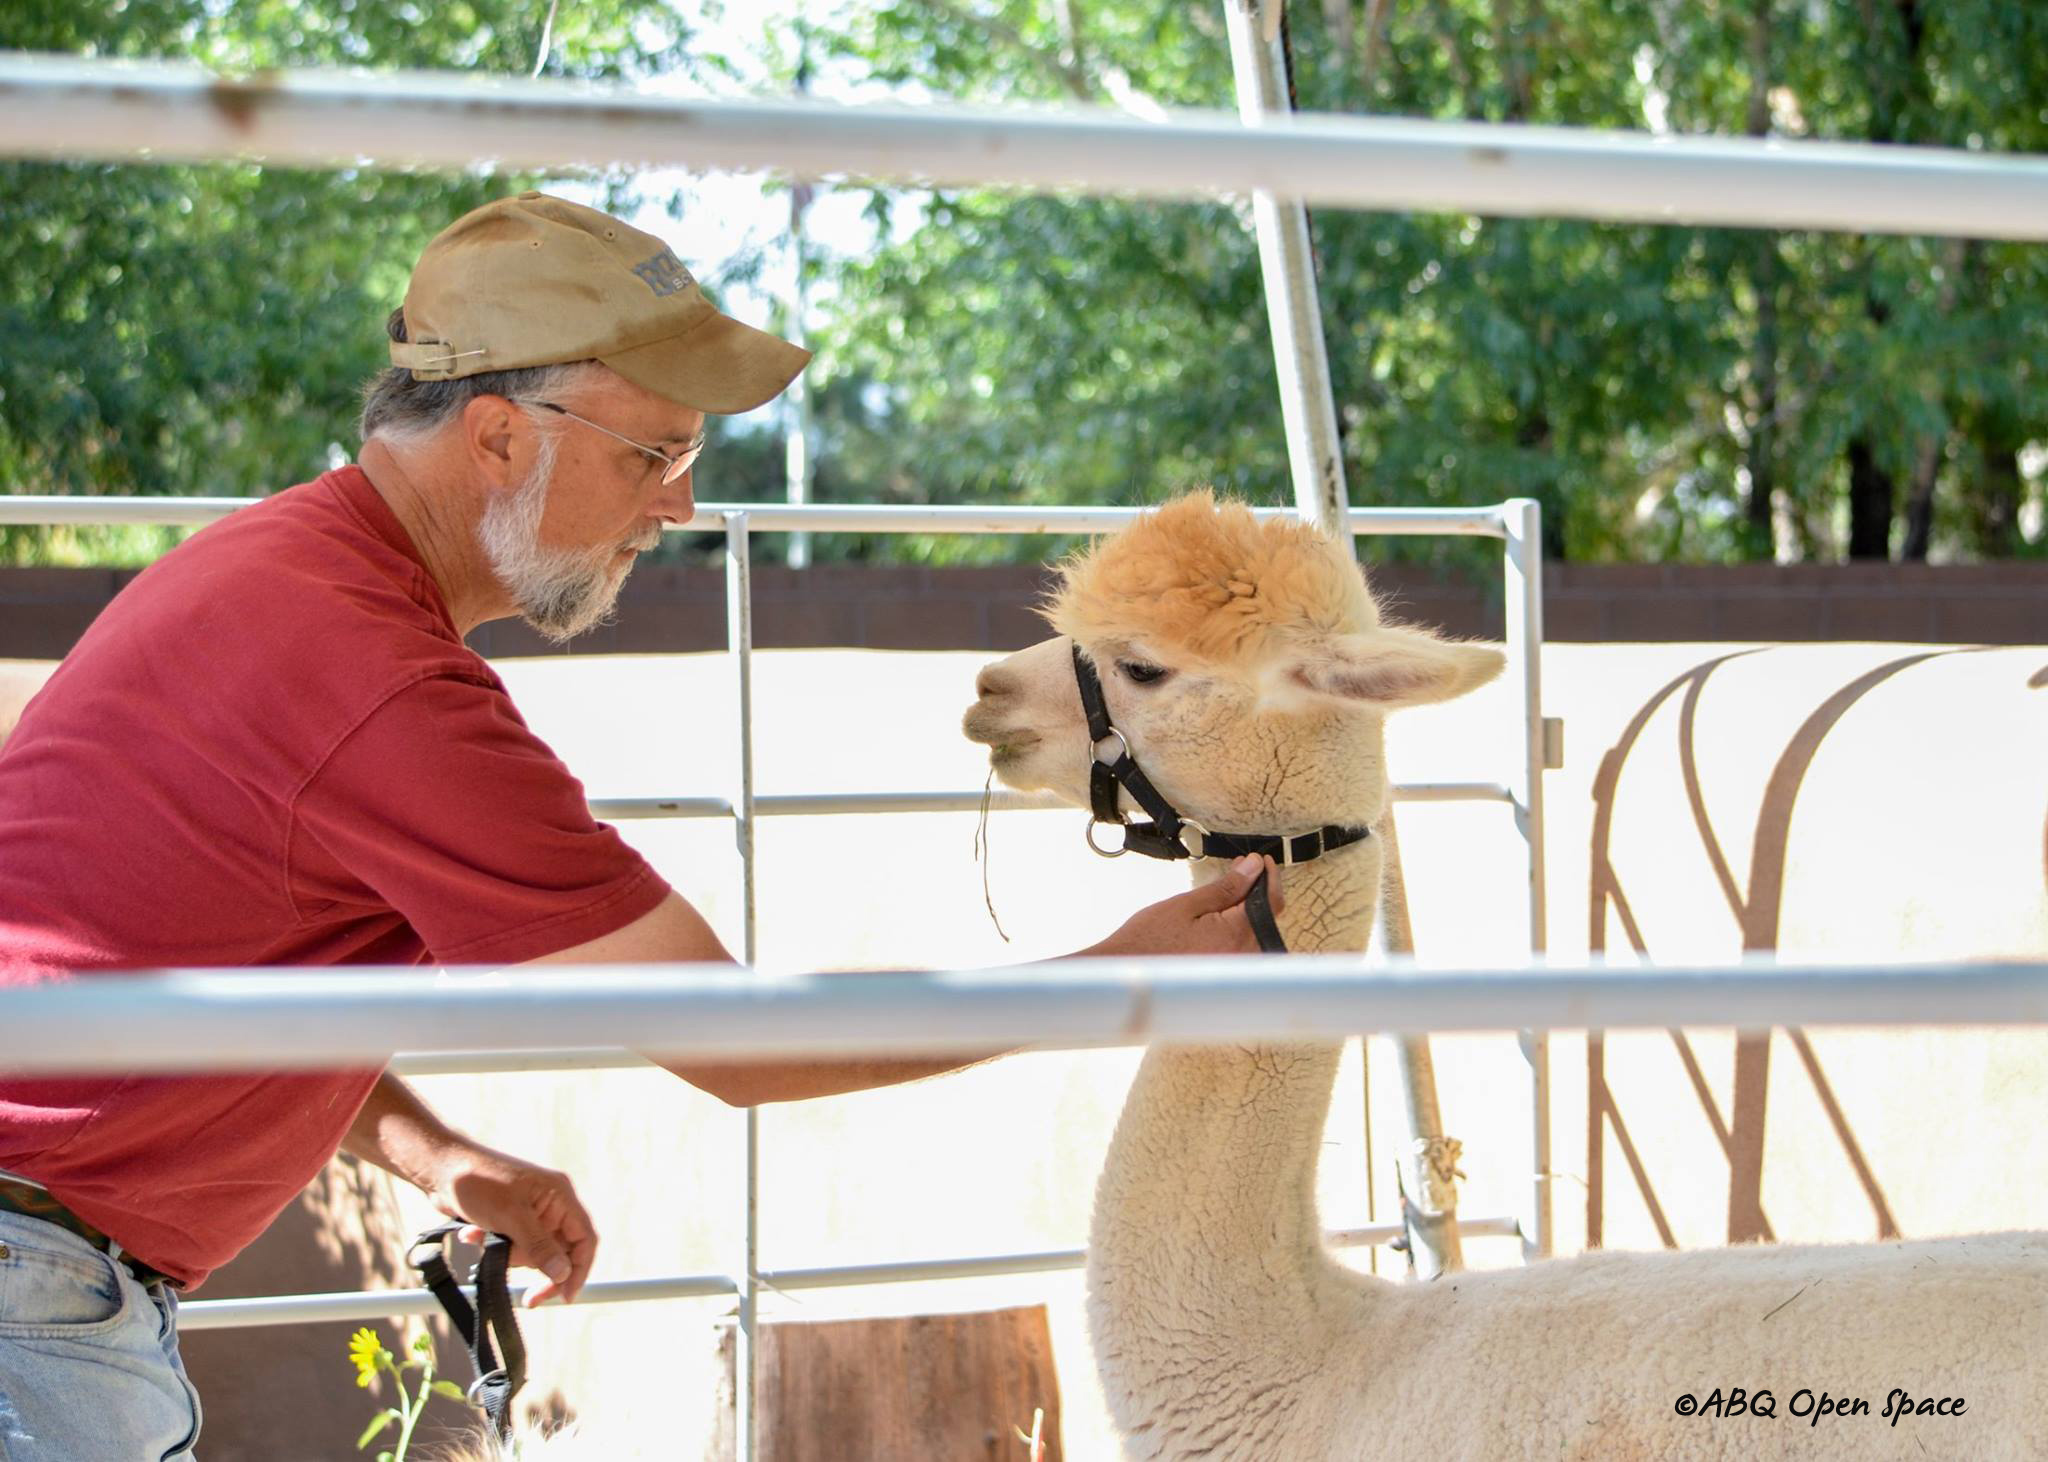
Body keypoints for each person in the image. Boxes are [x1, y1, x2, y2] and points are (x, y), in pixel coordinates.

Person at [0, 192, 1278, 1458]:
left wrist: (438, 1152)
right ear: (498, 434)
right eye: (651, 456)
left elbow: (196, 980)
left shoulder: (279, 570)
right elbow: (734, 1044)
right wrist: (1112, 978)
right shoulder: (376, 678)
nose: (672, 507)